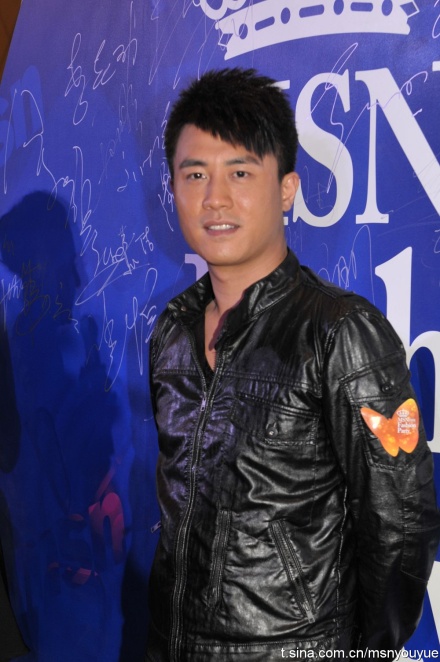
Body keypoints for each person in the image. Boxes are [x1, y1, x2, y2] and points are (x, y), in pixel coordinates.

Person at [146, 68, 440, 662]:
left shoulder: (340, 332)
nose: (214, 198)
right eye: (195, 174)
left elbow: (401, 525)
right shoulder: (173, 330)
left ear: (286, 189)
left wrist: (356, 651)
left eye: (240, 173)